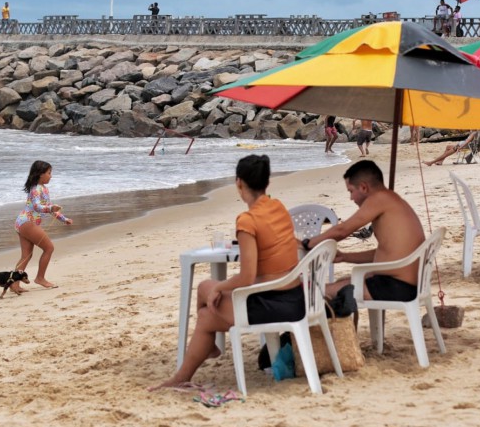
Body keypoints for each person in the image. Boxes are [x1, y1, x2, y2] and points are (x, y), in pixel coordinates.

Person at [149, 155, 301, 390]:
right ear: (267, 183)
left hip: (274, 303)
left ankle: (186, 371)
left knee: (206, 312)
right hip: (296, 296)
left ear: (239, 183)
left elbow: (247, 277)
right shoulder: (278, 207)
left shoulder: (247, 220)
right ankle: (203, 351)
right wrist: (217, 287)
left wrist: (220, 287)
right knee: (203, 288)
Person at [300, 160, 425, 305]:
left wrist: (308, 243)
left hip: (396, 286)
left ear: (364, 187)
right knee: (340, 285)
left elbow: (342, 230)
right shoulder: (392, 200)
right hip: (404, 282)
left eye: (351, 191)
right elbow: (386, 253)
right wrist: (345, 257)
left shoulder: (379, 198)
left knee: (317, 292)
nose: (351, 198)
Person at [14, 160, 73, 288]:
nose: (51, 176)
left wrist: (64, 219)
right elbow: (37, 206)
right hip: (27, 222)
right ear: (40, 174)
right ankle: (40, 278)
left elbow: (48, 207)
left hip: (22, 222)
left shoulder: (44, 189)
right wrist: (50, 209)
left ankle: (14, 284)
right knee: (49, 248)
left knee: (26, 255)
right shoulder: (36, 189)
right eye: (49, 173)